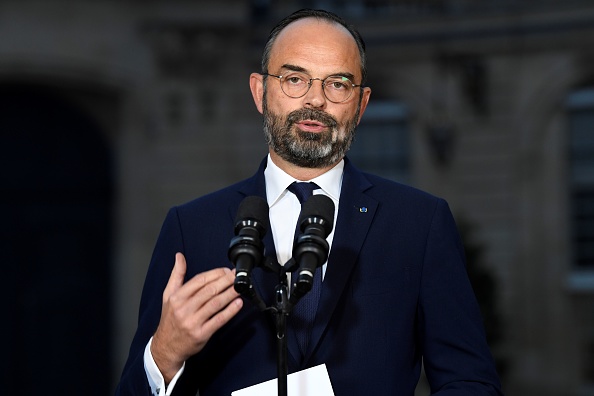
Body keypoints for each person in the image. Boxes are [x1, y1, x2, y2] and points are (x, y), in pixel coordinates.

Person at [115, 8, 503, 396]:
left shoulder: (419, 222)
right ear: (260, 91)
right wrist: (164, 354)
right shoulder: (192, 227)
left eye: (337, 83)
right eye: (294, 78)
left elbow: (470, 381)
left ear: (362, 104)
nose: (315, 99)